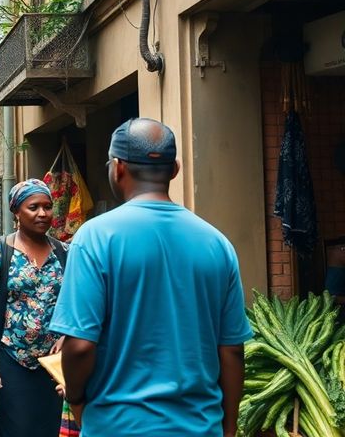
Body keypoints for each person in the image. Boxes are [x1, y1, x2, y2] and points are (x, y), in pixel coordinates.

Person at [49, 118, 252, 436]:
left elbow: (79, 347)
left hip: (118, 426)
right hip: (200, 427)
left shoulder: (95, 238)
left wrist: (77, 401)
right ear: (176, 169)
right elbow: (232, 351)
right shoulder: (217, 244)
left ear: (117, 168)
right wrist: (228, 427)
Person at [0, 180, 68, 437]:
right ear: (17, 212)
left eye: (47, 207)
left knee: (50, 427)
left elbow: (73, 301)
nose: (42, 213)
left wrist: (65, 335)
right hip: (10, 356)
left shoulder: (63, 252)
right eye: (33, 207)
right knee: (16, 426)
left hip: (53, 361)